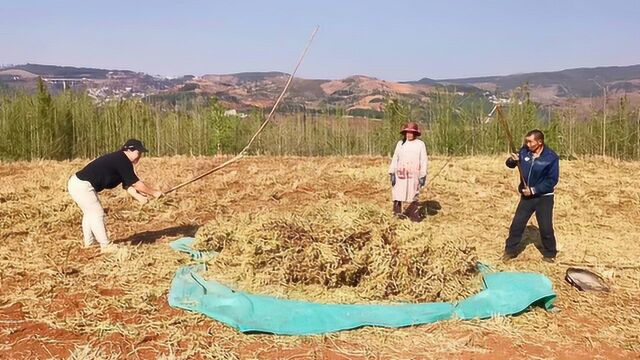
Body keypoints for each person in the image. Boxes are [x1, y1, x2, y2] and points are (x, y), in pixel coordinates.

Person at [67, 139, 163, 252]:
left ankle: (90, 243)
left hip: (77, 184)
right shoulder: (122, 160)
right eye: (138, 152)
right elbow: (136, 183)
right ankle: (106, 245)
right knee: (97, 213)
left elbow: (128, 185)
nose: (140, 156)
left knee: (90, 213)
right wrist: (154, 193)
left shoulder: (122, 161)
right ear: (129, 150)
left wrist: (140, 198)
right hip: (82, 185)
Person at [503, 129, 559, 263]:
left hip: (544, 197)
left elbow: (552, 180)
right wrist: (512, 160)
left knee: (545, 227)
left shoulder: (551, 157)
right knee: (517, 225)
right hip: (526, 198)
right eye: (526, 141)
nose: (527, 144)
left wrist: (534, 190)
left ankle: (550, 253)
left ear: (539, 142)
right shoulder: (524, 151)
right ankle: (510, 251)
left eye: (530, 141)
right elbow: (510, 164)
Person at [388, 122, 428, 218]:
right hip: (400, 174)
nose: (409, 135)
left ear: (415, 134)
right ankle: (397, 214)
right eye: (407, 132)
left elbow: (423, 160)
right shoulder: (400, 144)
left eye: (411, 133)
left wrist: (423, 175)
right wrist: (392, 172)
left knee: (413, 194)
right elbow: (395, 158)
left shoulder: (420, 144)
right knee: (398, 193)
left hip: (414, 174)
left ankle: (414, 215)